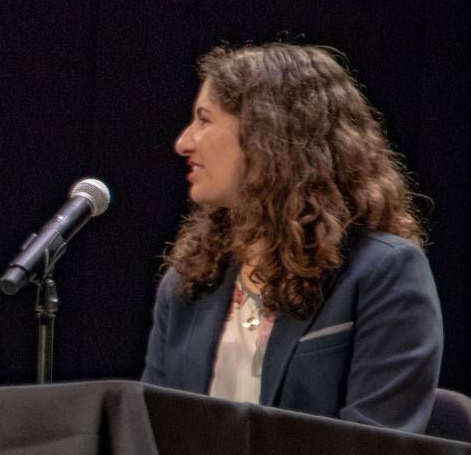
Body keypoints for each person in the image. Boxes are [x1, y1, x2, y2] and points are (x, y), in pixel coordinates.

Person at [143, 42, 441, 431]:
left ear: (265, 134)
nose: (184, 142)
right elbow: (149, 437)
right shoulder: (189, 281)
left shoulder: (383, 273)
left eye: (204, 119)